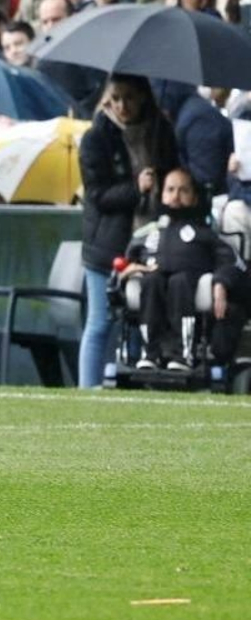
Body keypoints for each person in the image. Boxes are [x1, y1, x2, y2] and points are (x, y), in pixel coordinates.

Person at [77, 75, 178, 389]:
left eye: (130, 98)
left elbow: (175, 174)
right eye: (116, 98)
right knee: (100, 322)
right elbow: (99, 197)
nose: (122, 106)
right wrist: (136, 188)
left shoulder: (161, 132)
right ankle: (87, 389)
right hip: (108, 245)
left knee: (140, 319)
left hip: (151, 242)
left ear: (144, 97)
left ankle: (133, 385)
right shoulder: (96, 138)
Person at [120, 169, 240, 371]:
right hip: (153, 281)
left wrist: (221, 283)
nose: (175, 196)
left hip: (189, 284)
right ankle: (149, 354)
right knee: (151, 280)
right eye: (170, 190)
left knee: (180, 281)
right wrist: (127, 271)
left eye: (183, 190)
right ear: (163, 195)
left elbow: (230, 262)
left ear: (193, 198)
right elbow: (124, 264)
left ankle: (184, 354)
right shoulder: (147, 232)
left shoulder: (205, 233)